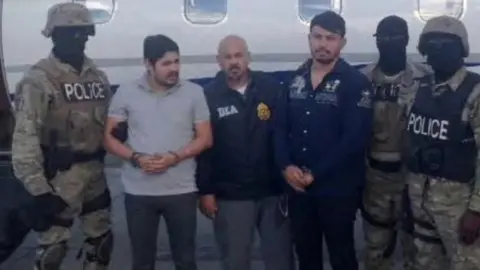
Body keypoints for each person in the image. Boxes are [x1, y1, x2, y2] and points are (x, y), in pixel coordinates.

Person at [10, 3, 114, 270]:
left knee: (101, 244)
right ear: (54, 35)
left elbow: (110, 123)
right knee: (52, 250)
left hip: (95, 173)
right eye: (70, 33)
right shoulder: (39, 79)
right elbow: (25, 138)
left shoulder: (98, 77)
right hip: (60, 177)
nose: (78, 38)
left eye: (82, 32)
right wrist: (38, 190)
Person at [273, 11, 374, 270]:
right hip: (299, 191)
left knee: (342, 256)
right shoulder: (294, 80)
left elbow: (353, 139)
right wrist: (286, 167)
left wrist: (315, 174)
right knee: (306, 257)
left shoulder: (355, 83)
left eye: (331, 38)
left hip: (337, 191)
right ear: (309, 39)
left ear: (342, 42)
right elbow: (280, 127)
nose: (323, 44)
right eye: (317, 37)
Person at [104, 34, 212, 270]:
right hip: (139, 193)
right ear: (148, 64)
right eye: (166, 64)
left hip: (181, 192)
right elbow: (109, 139)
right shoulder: (126, 93)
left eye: (176, 62)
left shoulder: (194, 92)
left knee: (185, 261)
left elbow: (206, 138)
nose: (174, 69)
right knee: (142, 263)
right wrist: (136, 158)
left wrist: (175, 157)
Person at [196, 35, 294, 270]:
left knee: (281, 260)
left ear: (248, 57)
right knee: (235, 261)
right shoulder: (208, 97)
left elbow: (284, 134)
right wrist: (206, 190)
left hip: (272, 192)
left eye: (238, 55)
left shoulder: (270, 89)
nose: (234, 62)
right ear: (218, 61)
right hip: (232, 195)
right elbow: (204, 148)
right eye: (228, 57)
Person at [404, 15, 480, 269]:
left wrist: (476, 211)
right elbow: (412, 140)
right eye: (432, 44)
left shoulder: (475, 92)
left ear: (462, 50)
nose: (438, 50)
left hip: (459, 209)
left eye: (447, 45)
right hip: (421, 202)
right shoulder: (417, 88)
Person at [359, 16, 431, 270]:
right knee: (377, 249)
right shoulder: (362, 80)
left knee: (418, 249)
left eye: (396, 37)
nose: (389, 43)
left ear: (407, 40)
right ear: (377, 42)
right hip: (375, 179)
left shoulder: (426, 78)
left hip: (415, 179)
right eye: (383, 38)